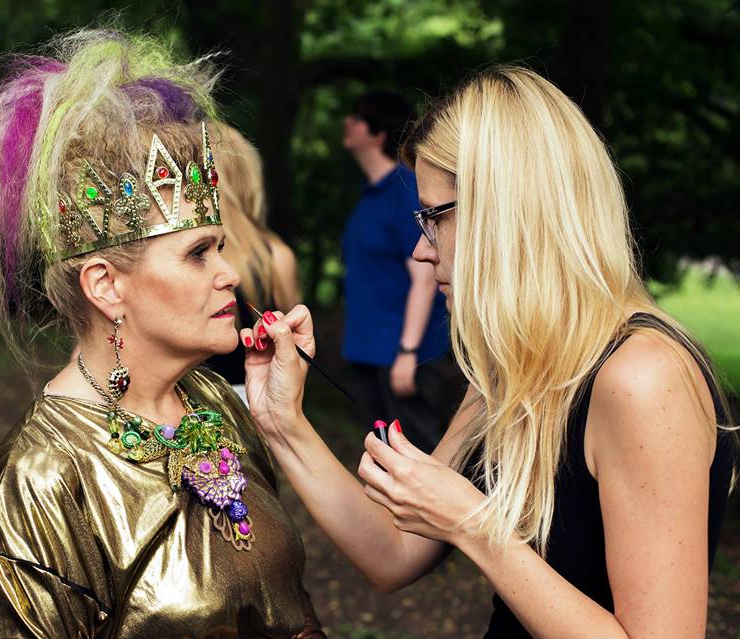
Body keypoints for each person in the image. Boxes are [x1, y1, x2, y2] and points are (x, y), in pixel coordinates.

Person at [240, 66, 738, 638]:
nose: (421, 251)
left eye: (434, 218)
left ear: (508, 211)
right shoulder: (512, 367)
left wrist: (474, 524)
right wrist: (282, 422)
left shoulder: (644, 378)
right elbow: (394, 553)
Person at [0, 29, 323, 638]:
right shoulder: (41, 480)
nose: (230, 274)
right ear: (106, 286)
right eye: (198, 253)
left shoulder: (217, 406)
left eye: (221, 248)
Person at [341, 90, 454, 452]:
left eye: (357, 117)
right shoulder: (369, 194)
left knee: (416, 453)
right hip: (369, 350)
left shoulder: (405, 189)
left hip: (402, 353)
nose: (347, 122)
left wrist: (407, 352)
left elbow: (423, 277)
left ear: (377, 133)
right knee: (381, 454)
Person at [204, 125, 301, 401]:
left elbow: (289, 343)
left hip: (255, 399)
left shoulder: (187, 257)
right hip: (250, 397)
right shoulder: (276, 256)